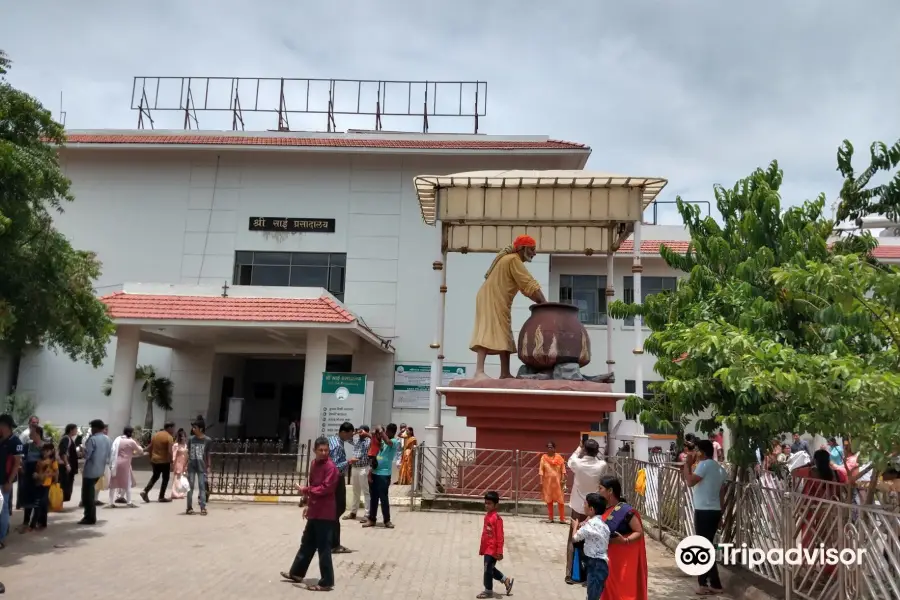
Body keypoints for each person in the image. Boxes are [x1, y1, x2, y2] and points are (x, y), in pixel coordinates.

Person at [470, 234, 547, 380]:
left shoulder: (510, 260)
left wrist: (540, 301)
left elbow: (526, 288)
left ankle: (504, 373)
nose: (534, 253)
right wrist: (544, 303)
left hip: (496, 298)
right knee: (488, 329)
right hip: (491, 298)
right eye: (532, 249)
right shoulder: (513, 259)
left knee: (504, 331)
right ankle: (479, 371)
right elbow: (528, 283)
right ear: (522, 248)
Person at [281, 436, 339, 592]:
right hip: (314, 510)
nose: (323, 452)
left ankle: (327, 581)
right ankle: (297, 573)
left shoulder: (331, 468)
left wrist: (305, 490)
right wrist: (307, 503)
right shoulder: (314, 464)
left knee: (323, 548)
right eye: (320, 450)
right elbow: (313, 484)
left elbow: (325, 488)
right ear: (314, 451)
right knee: (307, 543)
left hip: (325, 513)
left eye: (326, 450)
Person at [683, 439, 726, 595]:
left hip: (703, 511)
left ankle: (704, 584)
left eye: (696, 450)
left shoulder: (704, 465)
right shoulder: (719, 468)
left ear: (701, 452)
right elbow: (721, 493)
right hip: (714, 511)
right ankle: (714, 584)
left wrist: (687, 464)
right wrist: (721, 513)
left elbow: (689, 482)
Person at [597, 476, 648, 600]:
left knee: (622, 590)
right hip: (605, 558)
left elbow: (638, 532)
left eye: (600, 488)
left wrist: (625, 541)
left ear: (610, 491)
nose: (598, 491)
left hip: (622, 560)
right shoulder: (601, 508)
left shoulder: (626, 512)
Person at [566, 438, 608, 584]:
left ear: (585, 450)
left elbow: (571, 460)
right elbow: (601, 460)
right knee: (592, 539)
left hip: (578, 505)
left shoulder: (577, 463)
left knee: (573, 538)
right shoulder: (601, 465)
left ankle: (571, 574)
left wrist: (579, 448)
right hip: (594, 508)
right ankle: (587, 574)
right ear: (597, 451)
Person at [573, 492, 611, 600]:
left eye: (585, 504)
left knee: (592, 596)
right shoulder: (605, 526)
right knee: (594, 594)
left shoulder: (589, 525)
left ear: (591, 509)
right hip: (602, 564)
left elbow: (574, 538)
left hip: (594, 564)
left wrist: (575, 526)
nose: (583, 506)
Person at [363, 423, 402, 528]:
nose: (384, 433)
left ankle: (387, 521)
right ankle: (372, 519)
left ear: (391, 432)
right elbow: (376, 444)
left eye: (386, 432)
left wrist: (380, 430)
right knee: (373, 498)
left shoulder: (394, 442)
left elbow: (388, 442)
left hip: (384, 475)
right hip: (375, 472)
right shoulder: (382, 442)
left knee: (383, 498)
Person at [478, 490, 514, 598]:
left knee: (487, 568)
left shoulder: (497, 519)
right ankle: (505, 580)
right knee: (489, 568)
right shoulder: (487, 516)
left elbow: (500, 537)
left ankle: (488, 591)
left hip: (493, 549)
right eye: (486, 503)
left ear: (496, 505)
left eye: (489, 503)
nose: (487, 505)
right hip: (487, 548)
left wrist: (499, 551)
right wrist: (482, 548)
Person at [327, 422, 356, 553]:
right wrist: (349, 462)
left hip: (332, 479)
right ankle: (333, 543)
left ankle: (332, 541)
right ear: (344, 432)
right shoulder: (338, 445)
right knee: (339, 509)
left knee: (335, 511)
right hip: (336, 479)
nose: (351, 437)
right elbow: (334, 466)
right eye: (350, 434)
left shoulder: (332, 439)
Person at [80, 419, 111, 525]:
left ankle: (89, 517)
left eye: (92, 428)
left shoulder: (92, 439)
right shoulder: (107, 439)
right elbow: (109, 454)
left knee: (87, 495)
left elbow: (87, 455)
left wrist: (82, 451)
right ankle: (90, 516)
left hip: (90, 470)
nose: (91, 430)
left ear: (96, 428)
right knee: (91, 494)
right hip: (100, 469)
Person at [0, 414, 23, 549]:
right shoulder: (1, 440)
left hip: (4, 482)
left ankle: (1, 538)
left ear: (4, 425)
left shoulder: (15, 442)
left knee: (3, 511)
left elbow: (16, 464)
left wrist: (9, 481)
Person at [107, 427, 143, 508]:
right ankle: (129, 502)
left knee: (113, 483)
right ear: (131, 433)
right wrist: (138, 445)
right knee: (127, 483)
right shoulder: (131, 441)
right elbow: (139, 451)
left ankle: (110, 502)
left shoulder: (118, 439)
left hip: (115, 463)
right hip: (125, 464)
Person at [16, 425, 43, 532]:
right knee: (27, 501)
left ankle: (34, 523)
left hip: (39, 477)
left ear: (38, 434)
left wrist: (40, 474)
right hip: (27, 476)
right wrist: (21, 466)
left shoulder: (45, 447)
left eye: (32, 432)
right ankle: (26, 522)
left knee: (38, 501)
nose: (30, 434)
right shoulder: (27, 446)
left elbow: (50, 463)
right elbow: (21, 458)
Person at [141, 421, 175, 503]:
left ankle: (145, 491)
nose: (174, 430)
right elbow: (170, 451)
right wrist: (171, 462)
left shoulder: (156, 435)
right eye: (173, 428)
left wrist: (150, 458)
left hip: (155, 460)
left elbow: (150, 448)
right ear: (169, 428)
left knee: (155, 476)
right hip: (164, 461)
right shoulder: (169, 437)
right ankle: (161, 496)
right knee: (165, 478)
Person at [26, 442, 57, 531]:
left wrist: (47, 476)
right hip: (38, 484)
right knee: (40, 504)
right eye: (44, 450)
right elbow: (37, 471)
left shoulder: (52, 462)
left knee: (40, 504)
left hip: (46, 485)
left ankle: (34, 524)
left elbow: (56, 473)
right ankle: (39, 523)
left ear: (51, 451)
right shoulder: (39, 461)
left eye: (47, 451)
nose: (45, 452)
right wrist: (36, 475)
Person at [186, 418, 212, 515]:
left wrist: (209, 466)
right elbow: (187, 453)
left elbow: (208, 454)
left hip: (202, 466)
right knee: (190, 486)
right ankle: (189, 507)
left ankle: (203, 507)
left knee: (202, 486)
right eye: (193, 427)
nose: (193, 429)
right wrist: (185, 465)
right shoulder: (190, 439)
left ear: (200, 429)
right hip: (191, 465)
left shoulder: (207, 440)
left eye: (195, 427)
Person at [344, 426, 371, 522]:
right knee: (355, 491)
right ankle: (353, 512)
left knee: (366, 492)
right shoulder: (356, 440)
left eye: (362, 431)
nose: (361, 433)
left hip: (364, 468)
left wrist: (366, 434)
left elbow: (376, 440)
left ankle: (367, 514)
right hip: (355, 468)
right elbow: (348, 438)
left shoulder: (368, 441)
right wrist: (355, 432)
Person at [539, 441, 566, 523]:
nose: (549, 448)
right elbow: (541, 469)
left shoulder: (559, 457)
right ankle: (550, 518)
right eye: (548, 447)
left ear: (554, 448)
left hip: (558, 482)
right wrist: (540, 481)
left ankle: (562, 519)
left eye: (551, 447)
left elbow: (563, 469)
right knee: (549, 500)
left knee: (561, 501)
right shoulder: (544, 457)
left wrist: (563, 479)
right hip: (548, 483)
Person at [58, 424, 79, 503]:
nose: (76, 431)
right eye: (75, 429)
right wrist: (67, 464)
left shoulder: (69, 439)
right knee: (65, 484)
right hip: (65, 465)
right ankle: (60, 500)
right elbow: (63, 452)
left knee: (67, 483)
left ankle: (62, 500)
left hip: (69, 465)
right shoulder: (66, 439)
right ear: (71, 430)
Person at [170, 429, 189, 499]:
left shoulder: (186, 445)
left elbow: (187, 455)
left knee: (183, 478)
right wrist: (172, 463)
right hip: (178, 462)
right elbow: (174, 455)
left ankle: (180, 492)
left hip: (184, 462)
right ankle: (174, 493)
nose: (183, 438)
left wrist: (187, 464)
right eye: (181, 436)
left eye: (184, 436)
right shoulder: (176, 445)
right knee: (177, 478)